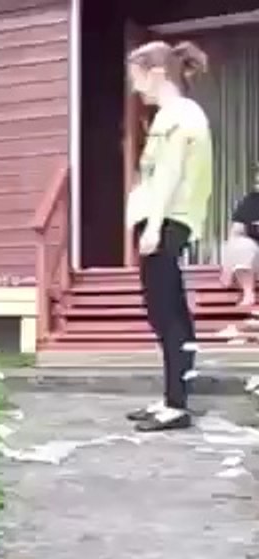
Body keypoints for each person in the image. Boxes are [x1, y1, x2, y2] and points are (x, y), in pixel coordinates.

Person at [123, 40, 213, 432]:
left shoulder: (177, 115)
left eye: (137, 77)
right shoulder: (174, 115)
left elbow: (170, 173)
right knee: (168, 310)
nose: (135, 87)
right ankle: (171, 398)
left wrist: (155, 225)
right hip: (168, 219)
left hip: (167, 220)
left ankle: (176, 405)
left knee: (167, 312)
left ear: (156, 73)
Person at [221, 165, 259, 306]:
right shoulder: (252, 201)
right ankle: (248, 294)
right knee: (241, 245)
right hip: (255, 259)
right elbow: (235, 233)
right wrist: (228, 266)